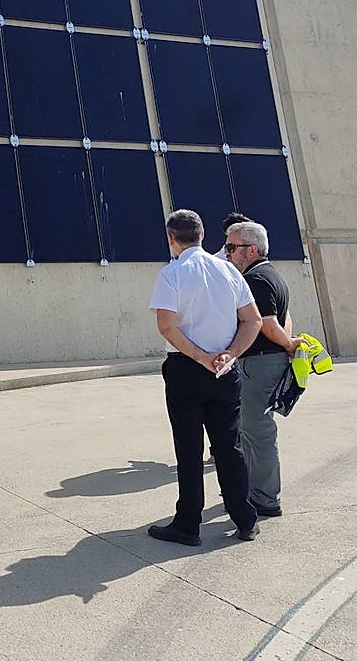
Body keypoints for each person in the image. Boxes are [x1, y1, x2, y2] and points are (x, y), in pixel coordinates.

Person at [148, 209, 263, 546]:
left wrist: (201, 357)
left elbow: (167, 326)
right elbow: (253, 320)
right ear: (202, 234)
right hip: (225, 371)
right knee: (230, 446)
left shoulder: (171, 274)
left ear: (171, 239)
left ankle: (188, 523)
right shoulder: (228, 270)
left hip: (187, 368)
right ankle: (244, 518)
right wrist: (229, 354)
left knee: (189, 448)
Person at [225, 221, 303, 518]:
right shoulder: (272, 275)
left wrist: (286, 344)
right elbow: (286, 318)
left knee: (257, 432)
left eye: (233, 247)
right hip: (266, 361)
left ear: (252, 249)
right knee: (250, 430)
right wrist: (288, 341)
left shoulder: (256, 279)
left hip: (258, 364)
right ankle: (253, 489)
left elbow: (268, 323)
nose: (228, 252)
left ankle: (265, 498)